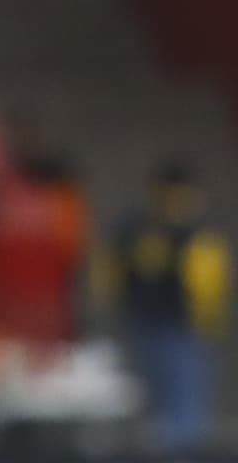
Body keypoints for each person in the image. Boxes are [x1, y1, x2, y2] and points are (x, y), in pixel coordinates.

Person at [98, 159, 229, 456]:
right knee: (183, 406)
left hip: (145, 324)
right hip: (181, 328)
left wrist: (117, 309)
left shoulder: (136, 229)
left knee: (152, 406)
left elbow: (109, 277)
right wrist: (209, 321)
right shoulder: (193, 232)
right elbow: (207, 283)